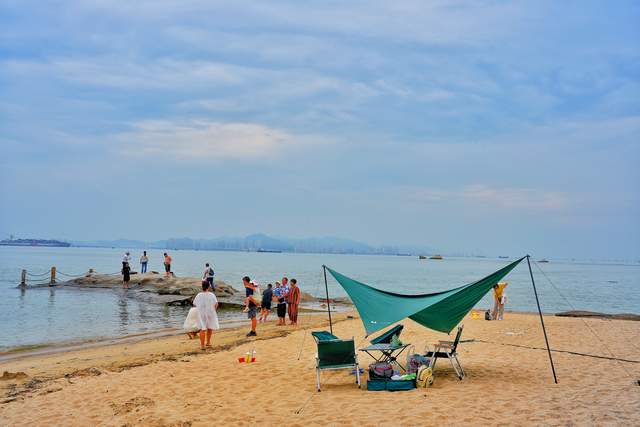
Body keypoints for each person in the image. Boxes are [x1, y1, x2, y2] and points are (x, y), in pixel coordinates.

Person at [192, 281, 219, 350]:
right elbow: (216, 304)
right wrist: (214, 310)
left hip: (201, 313)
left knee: (202, 329)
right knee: (210, 328)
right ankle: (208, 342)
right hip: (210, 313)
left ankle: (202, 345)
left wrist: (199, 308)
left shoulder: (199, 295)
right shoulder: (211, 295)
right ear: (208, 286)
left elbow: (194, 304)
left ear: (202, 286)